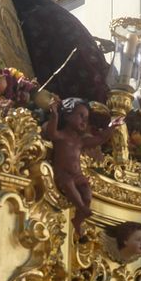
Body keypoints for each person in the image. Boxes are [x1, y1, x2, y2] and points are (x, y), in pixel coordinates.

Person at [45, 97, 123, 238]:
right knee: (70, 187)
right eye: (80, 115)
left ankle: (77, 220)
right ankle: (81, 208)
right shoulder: (61, 136)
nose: (84, 121)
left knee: (87, 194)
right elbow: (51, 133)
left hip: (78, 175)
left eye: (86, 118)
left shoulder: (80, 141)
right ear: (67, 116)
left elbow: (100, 139)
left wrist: (112, 126)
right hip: (64, 175)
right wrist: (54, 114)